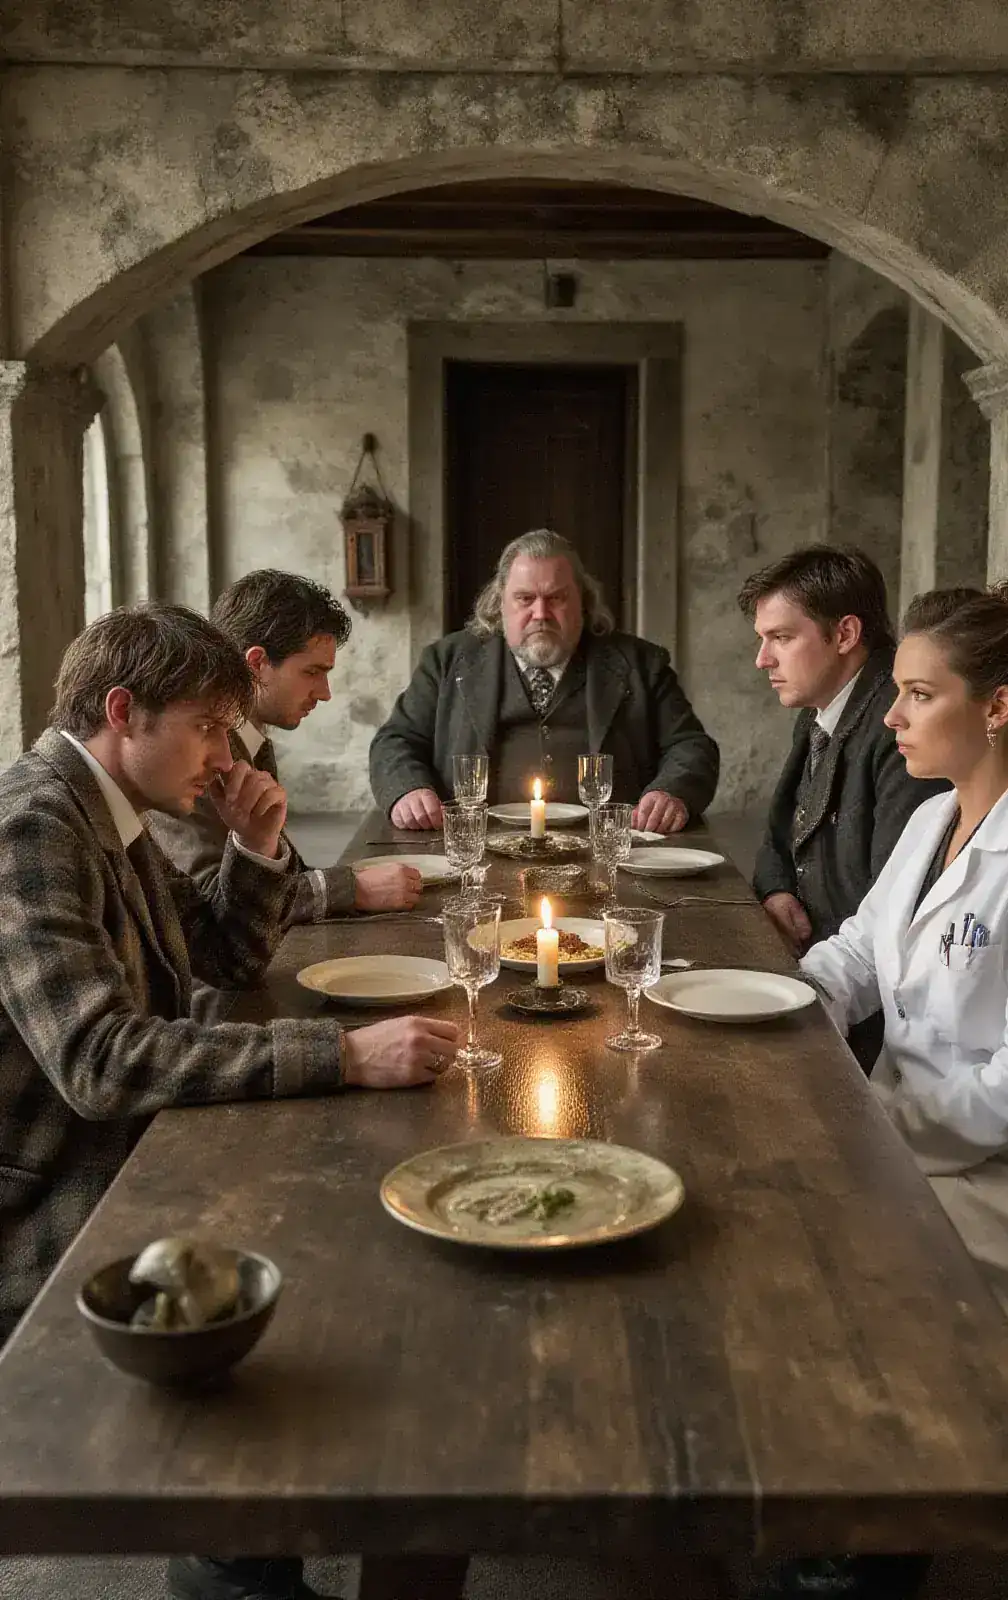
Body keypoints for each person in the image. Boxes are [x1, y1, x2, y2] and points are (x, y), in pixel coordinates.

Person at [0, 604, 458, 1600]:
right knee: (314, 1222)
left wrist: (255, 845)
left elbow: (219, 956)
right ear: (124, 710)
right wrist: (336, 1051)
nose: (223, 752)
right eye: (208, 726)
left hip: (117, 1137)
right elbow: (99, 1060)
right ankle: (234, 1560)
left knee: (348, 1185)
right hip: (47, 1190)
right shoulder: (36, 817)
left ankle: (274, 1536)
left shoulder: (108, 808)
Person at [763, 573, 1008, 1600]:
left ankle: (874, 1544)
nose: (890, 713)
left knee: (851, 1262)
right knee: (773, 1226)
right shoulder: (933, 817)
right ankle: (819, 1494)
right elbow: (857, 947)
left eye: (915, 693)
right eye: (894, 691)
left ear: (993, 708)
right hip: (901, 1130)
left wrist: (870, 1125)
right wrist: (782, 1009)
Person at [738, 545, 946, 1070]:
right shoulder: (819, 705)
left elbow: (900, 909)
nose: (763, 659)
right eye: (763, 640)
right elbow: (777, 830)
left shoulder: (897, 728)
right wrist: (777, 886)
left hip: (870, 1020)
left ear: (846, 635)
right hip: (823, 974)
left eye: (781, 638)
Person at [369, 529, 719, 834]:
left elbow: (691, 746)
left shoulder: (642, 664)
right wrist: (408, 789)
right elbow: (395, 740)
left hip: (610, 851)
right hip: (479, 849)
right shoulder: (445, 661)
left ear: (583, 602)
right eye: (525, 599)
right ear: (499, 603)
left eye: (556, 598)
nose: (540, 613)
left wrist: (671, 791)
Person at [149, 570, 420, 923]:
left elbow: (278, 875)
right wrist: (352, 888)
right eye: (311, 672)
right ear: (257, 663)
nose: (325, 693)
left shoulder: (253, 738)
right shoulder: (197, 754)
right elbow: (214, 901)